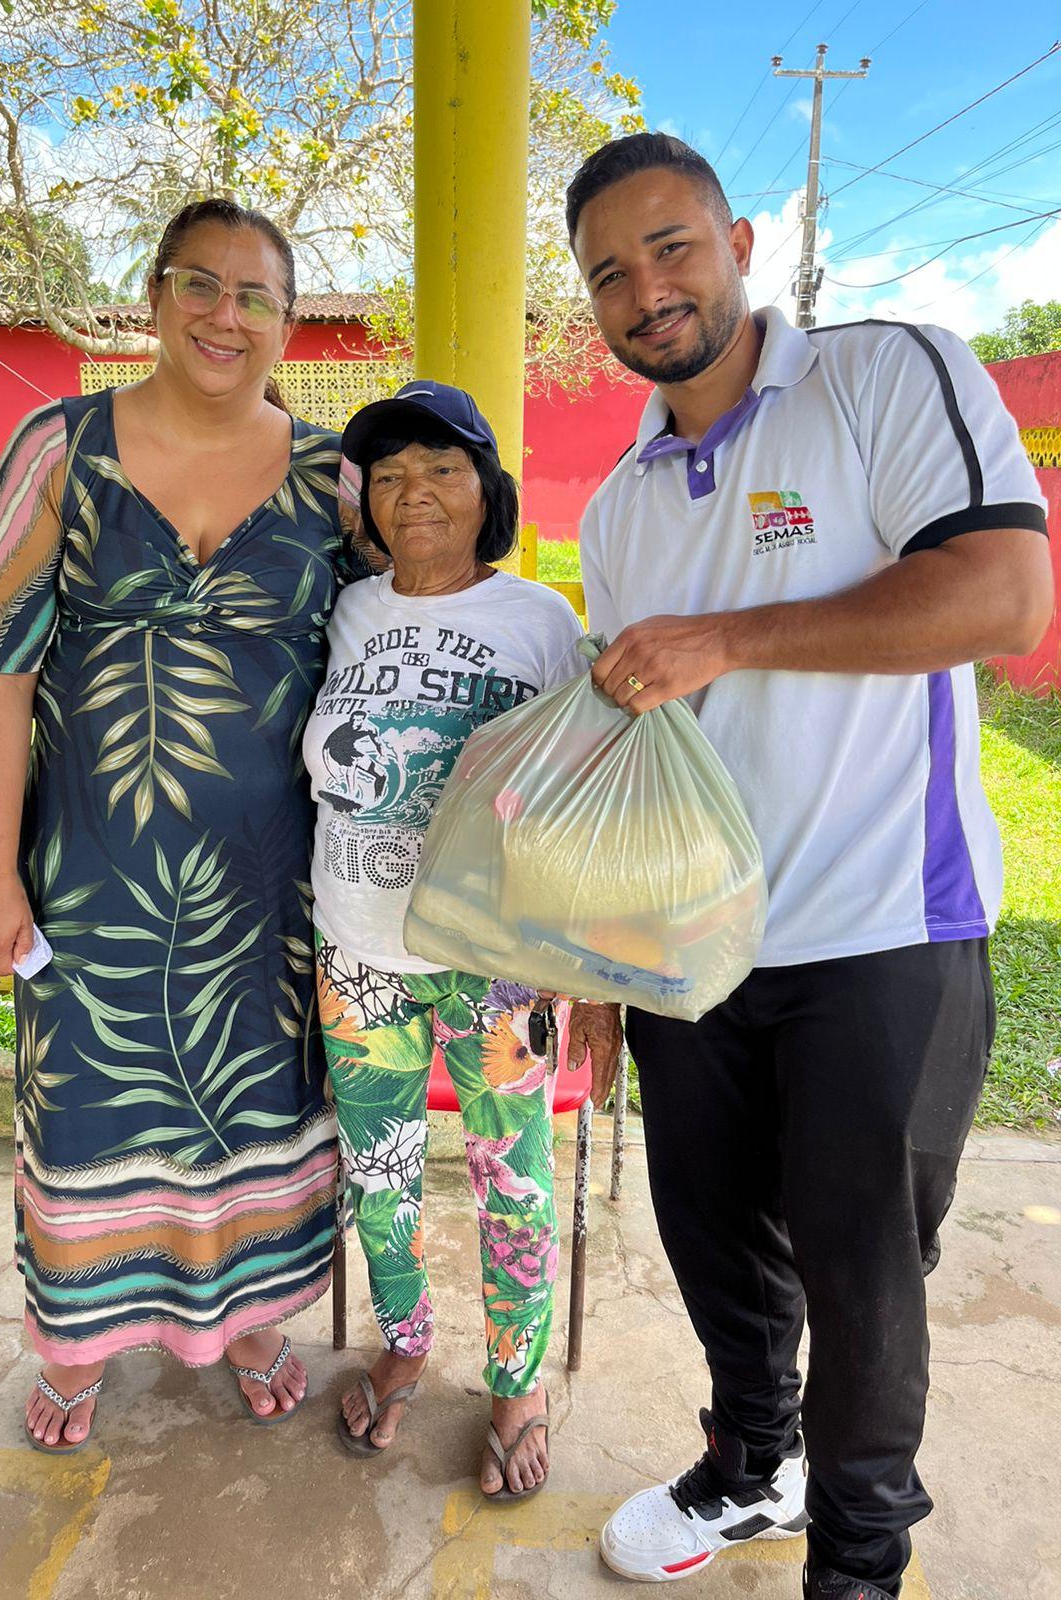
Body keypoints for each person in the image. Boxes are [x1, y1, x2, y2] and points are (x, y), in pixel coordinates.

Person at [565, 133, 1051, 1597]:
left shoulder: (885, 376)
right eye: (609, 273)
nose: (647, 288)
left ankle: (857, 1562)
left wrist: (731, 634)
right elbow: (633, 759)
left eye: (672, 246)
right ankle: (746, 1470)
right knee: (716, 1246)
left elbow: (1004, 595)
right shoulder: (621, 507)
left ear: (739, 244)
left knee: (864, 1278)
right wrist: (601, 961)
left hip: (882, 926)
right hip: (690, 949)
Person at [0, 197, 362, 1452]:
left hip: (267, 890)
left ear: (289, 324)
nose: (224, 316)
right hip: (89, 879)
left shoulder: (332, 475)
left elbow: (393, 645)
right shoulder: (60, 448)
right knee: (90, 1103)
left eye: (255, 297)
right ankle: (78, 1341)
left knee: (255, 1103)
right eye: (200, 284)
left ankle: (245, 1318)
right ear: (155, 296)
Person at [305, 381, 623, 1497]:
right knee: (378, 1175)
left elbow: (584, 796)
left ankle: (518, 1378)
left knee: (513, 1178)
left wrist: (588, 972)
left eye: (441, 466)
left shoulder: (537, 620)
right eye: (388, 475)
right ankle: (404, 1335)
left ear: (487, 487)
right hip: (357, 952)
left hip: (495, 966)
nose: (413, 491)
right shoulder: (344, 611)